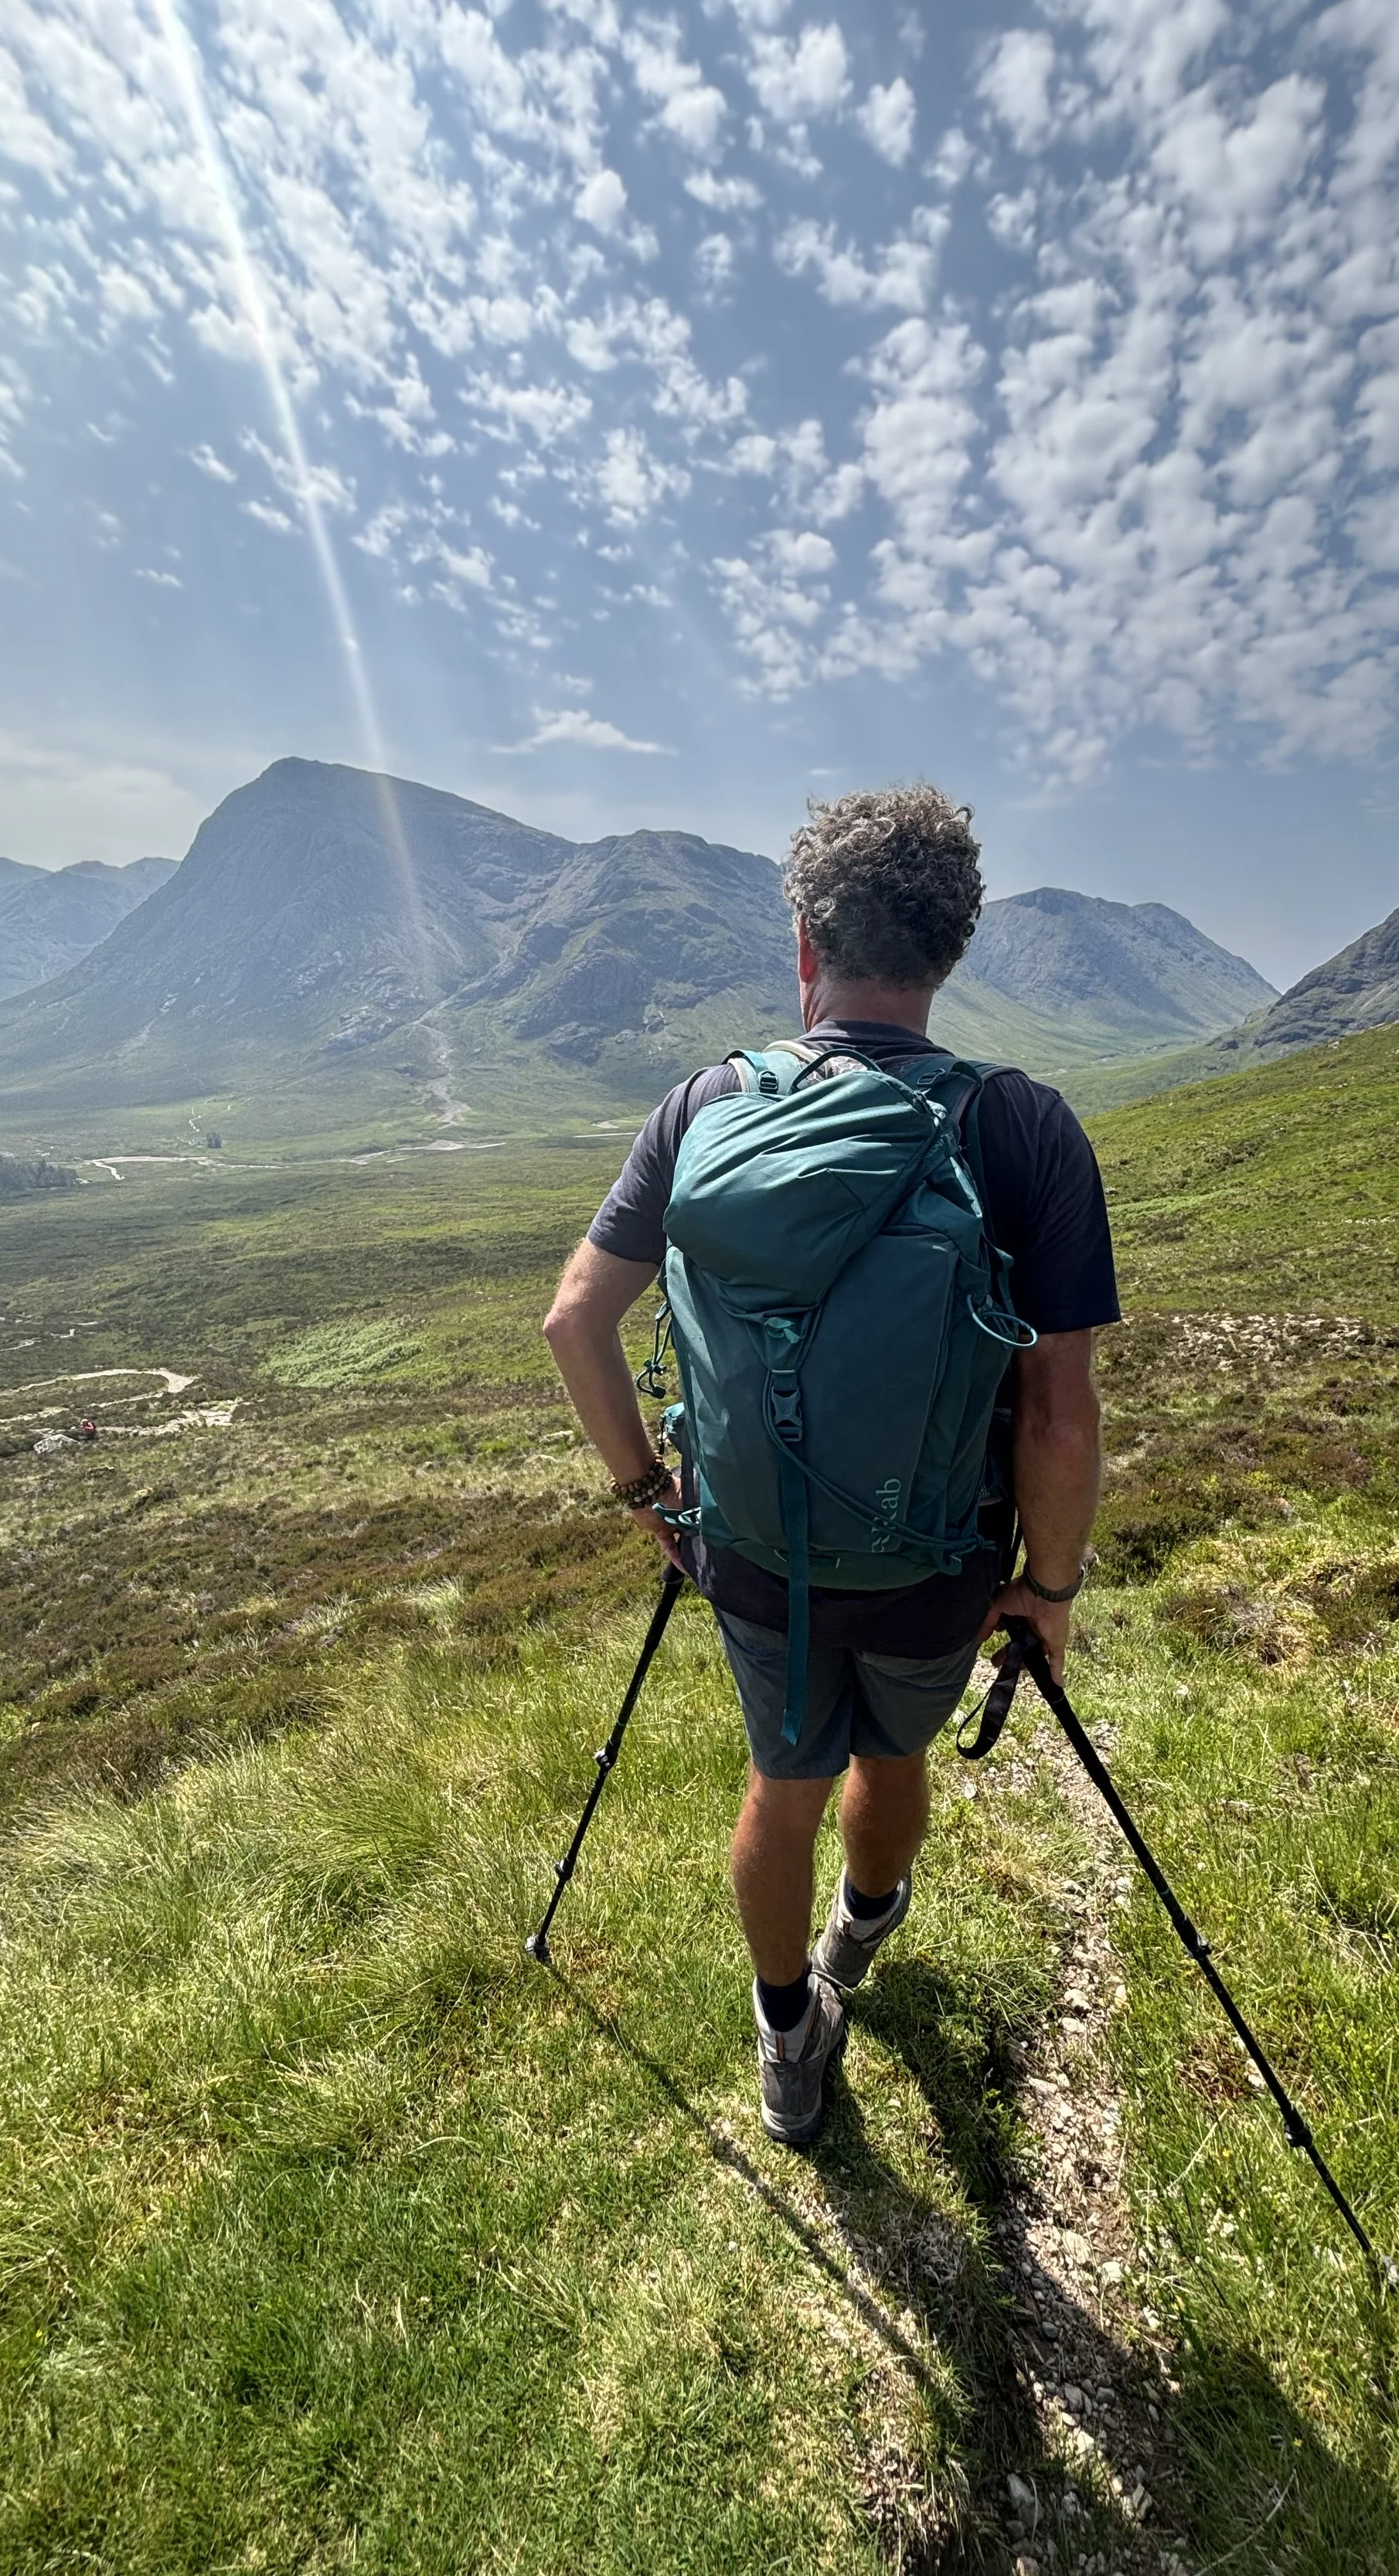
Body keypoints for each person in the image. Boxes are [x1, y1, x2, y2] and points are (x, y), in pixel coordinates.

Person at [543, 785, 1119, 2144]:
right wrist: (1049, 1587)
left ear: (805, 944)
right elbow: (1058, 1414)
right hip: (934, 1563)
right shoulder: (1019, 1128)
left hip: (745, 1551)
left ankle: (789, 2034)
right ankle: (866, 1929)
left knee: (778, 1781)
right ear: (951, 950)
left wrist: (649, 1497)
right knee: (894, 1749)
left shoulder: (703, 1106)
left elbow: (576, 1321)